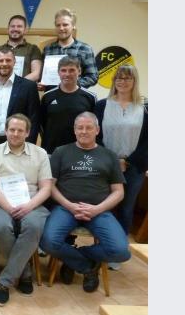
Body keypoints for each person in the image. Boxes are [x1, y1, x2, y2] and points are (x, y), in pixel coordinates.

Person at [40, 112, 131, 293]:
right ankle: (87, 266)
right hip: (65, 208)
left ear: (97, 130)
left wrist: (97, 209)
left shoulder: (109, 155)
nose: (84, 131)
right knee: (47, 242)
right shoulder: (61, 152)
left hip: (99, 210)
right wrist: (69, 205)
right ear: (74, 131)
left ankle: (71, 260)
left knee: (122, 252)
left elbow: (119, 192)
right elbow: (50, 186)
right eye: (80, 128)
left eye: (89, 127)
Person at [0, 114, 52, 306]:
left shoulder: (40, 153)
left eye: (20, 130)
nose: (15, 133)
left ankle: (5, 282)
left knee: (34, 226)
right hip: (0, 202)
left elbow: (46, 188)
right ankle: (25, 272)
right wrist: (8, 207)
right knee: (0, 227)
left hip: (32, 203)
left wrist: (28, 206)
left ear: (28, 133)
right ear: (5, 131)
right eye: (12, 130)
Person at [94, 65, 147, 237]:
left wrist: (127, 162)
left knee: (126, 209)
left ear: (134, 81)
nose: (123, 82)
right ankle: (101, 244)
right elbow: (95, 135)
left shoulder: (146, 108)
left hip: (134, 167)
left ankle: (118, 249)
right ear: (114, 81)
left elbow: (149, 141)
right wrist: (113, 160)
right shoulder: (102, 105)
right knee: (104, 207)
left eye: (127, 78)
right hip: (106, 165)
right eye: (119, 78)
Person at [0, 48, 41, 145]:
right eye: (0, 60)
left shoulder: (28, 87)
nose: (4, 64)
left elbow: (34, 119)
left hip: (19, 143)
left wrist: (29, 145)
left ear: (14, 62)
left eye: (8, 60)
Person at [39, 56, 96, 154]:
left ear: (79, 71)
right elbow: (42, 125)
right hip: (51, 152)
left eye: (72, 70)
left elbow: (94, 127)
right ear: (58, 72)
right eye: (63, 70)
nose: (67, 74)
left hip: (80, 152)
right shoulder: (47, 97)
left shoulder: (90, 97)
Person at [42, 8, 98, 89]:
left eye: (65, 25)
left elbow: (93, 77)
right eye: (58, 25)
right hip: (51, 97)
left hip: (76, 98)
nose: (61, 28)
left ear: (73, 26)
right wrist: (41, 83)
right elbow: (43, 75)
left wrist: (72, 84)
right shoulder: (47, 49)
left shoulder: (85, 49)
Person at [0, 15, 43, 83]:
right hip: (0, 90)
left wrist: (16, 85)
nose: (15, 29)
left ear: (25, 30)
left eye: (19, 26)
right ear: (8, 29)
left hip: (24, 90)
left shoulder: (33, 49)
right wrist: (1, 85)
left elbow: (36, 74)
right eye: (12, 26)